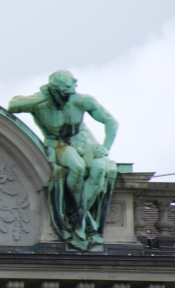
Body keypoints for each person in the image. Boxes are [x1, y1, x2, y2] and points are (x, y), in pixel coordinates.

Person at [9, 70, 118, 250]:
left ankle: (80, 219)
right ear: (53, 90)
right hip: (58, 145)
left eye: (70, 92)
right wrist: (41, 99)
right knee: (77, 167)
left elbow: (111, 122)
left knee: (100, 167)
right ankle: (82, 220)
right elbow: (12, 106)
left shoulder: (82, 100)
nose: (67, 97)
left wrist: (105, 147)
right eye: (63, 94)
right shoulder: (40, 103)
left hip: (85, 142)